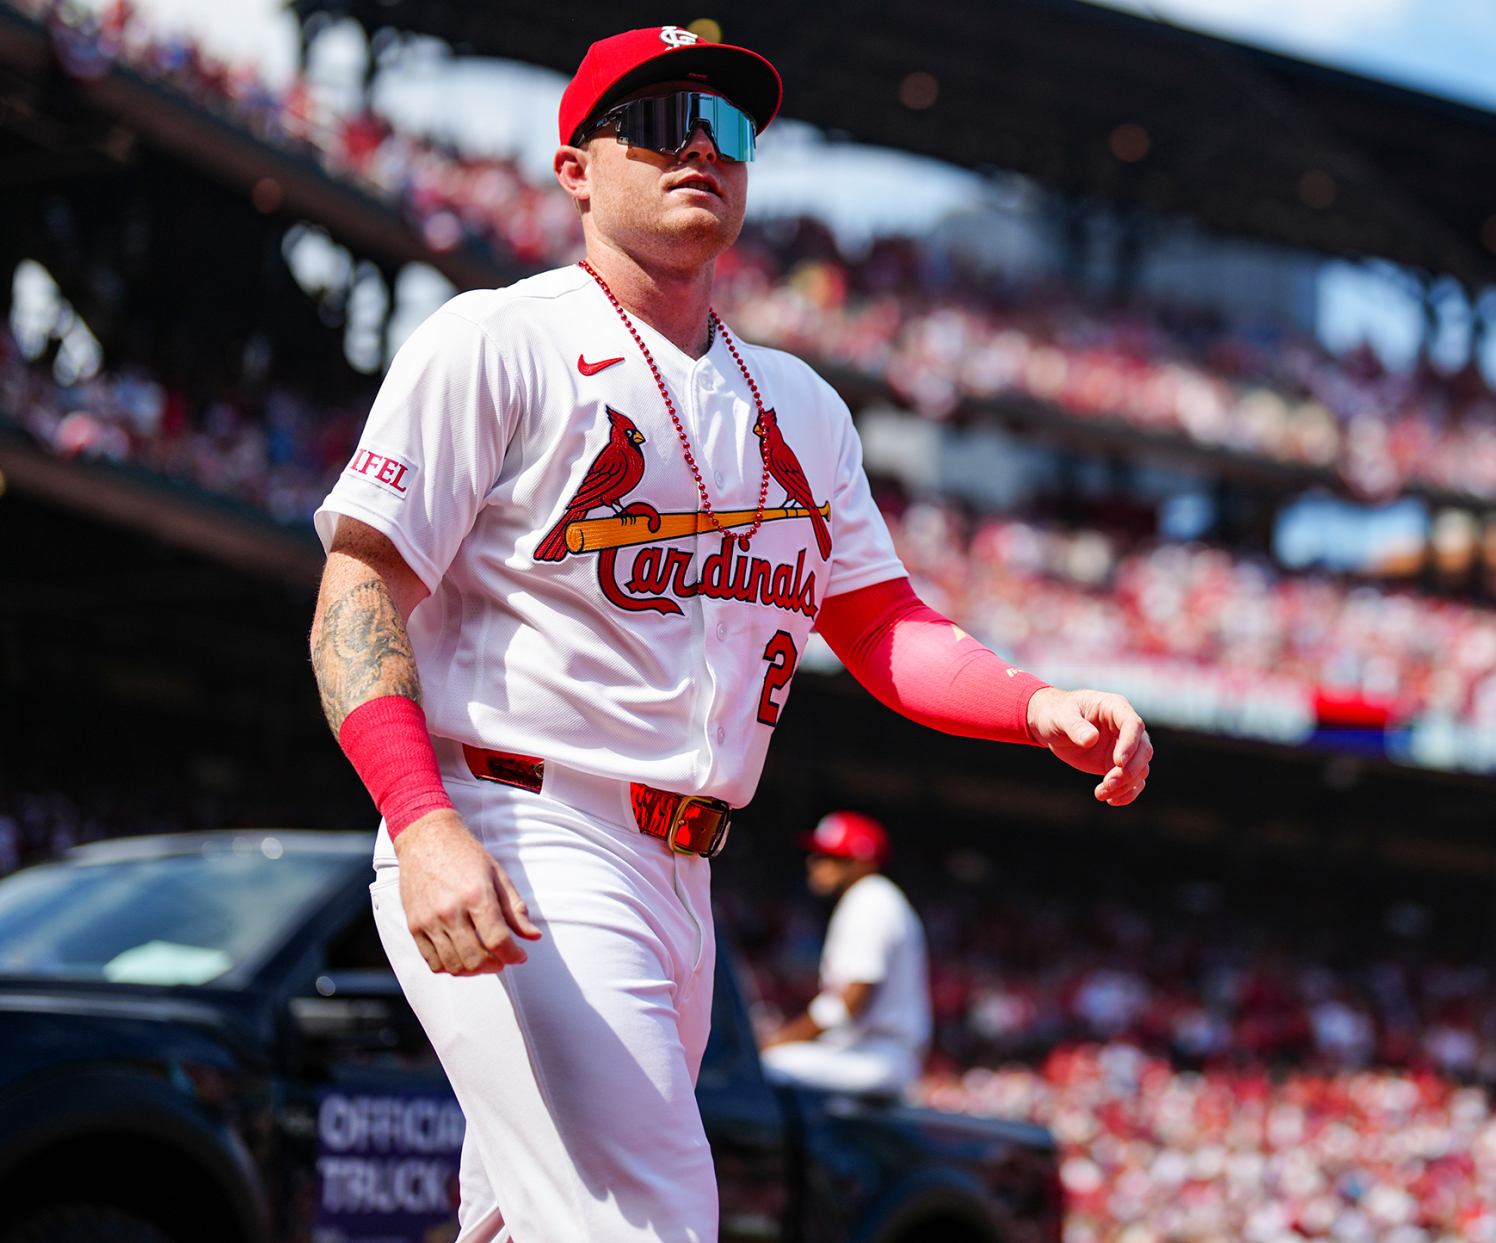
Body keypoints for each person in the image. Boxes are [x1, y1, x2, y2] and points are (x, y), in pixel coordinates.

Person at [306, 24, 1153, 1242]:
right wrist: (422, 822)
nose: (700, 144)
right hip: (522, 827)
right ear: (575, 169)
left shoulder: (800, 405)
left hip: (683, 869)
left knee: (514, 1228)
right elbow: (358, 590)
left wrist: (1032, 704)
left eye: (730, 126)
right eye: (656, 122)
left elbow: (877, 623)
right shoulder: (496, 339)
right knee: (650, 1224)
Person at [761, 811, 928, 1095]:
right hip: (864, 1052)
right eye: (816, 854)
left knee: (768, 1064)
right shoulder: (870, 898)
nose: (816, 863)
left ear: (863, 861)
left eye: (832, 857)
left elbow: (849, 1003)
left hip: (877, 1056)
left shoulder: (872, 900)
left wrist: (785, 1039)